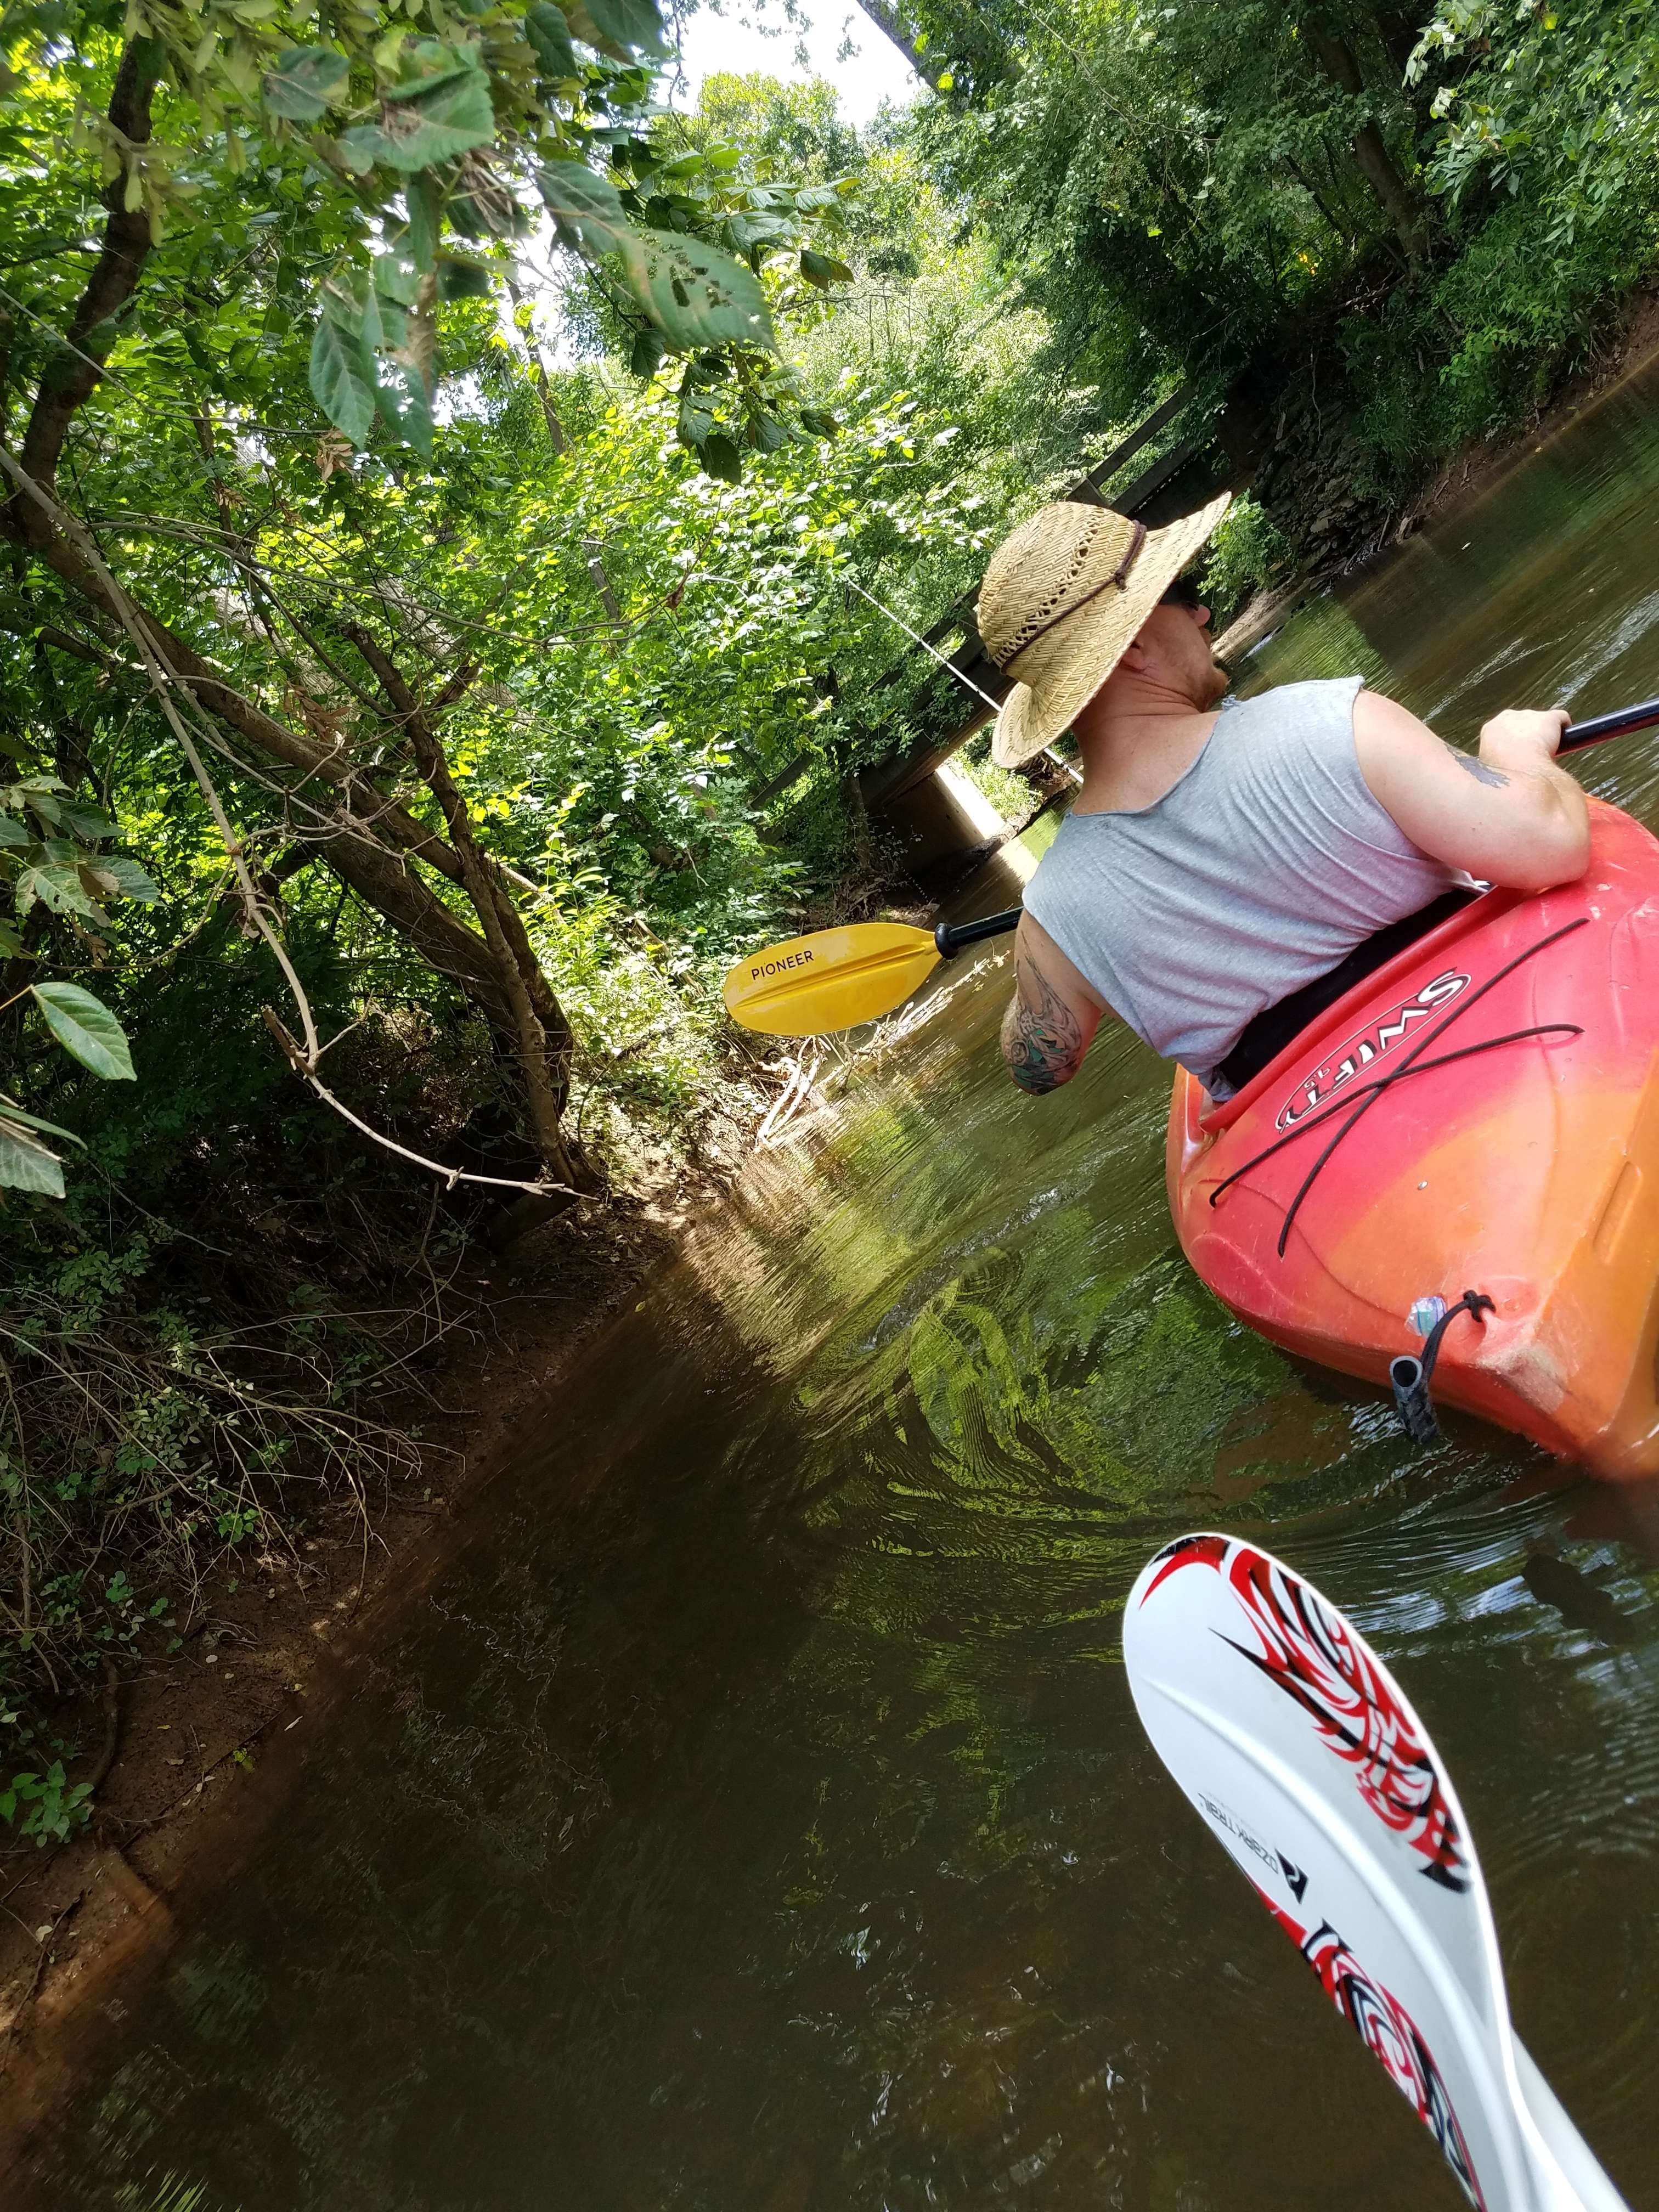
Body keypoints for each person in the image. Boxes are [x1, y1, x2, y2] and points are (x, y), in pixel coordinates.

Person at [975, 493, 1590, 1100]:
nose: (1203, 616)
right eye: (1184, 596)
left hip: (1312, 1138)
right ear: (1133, 647)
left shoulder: (1054, 915)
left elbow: (1037, 1068)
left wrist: (1050, 952)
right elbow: (1554, 845)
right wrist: (1515, 749)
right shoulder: (1334, 721)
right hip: (1514, 1044)